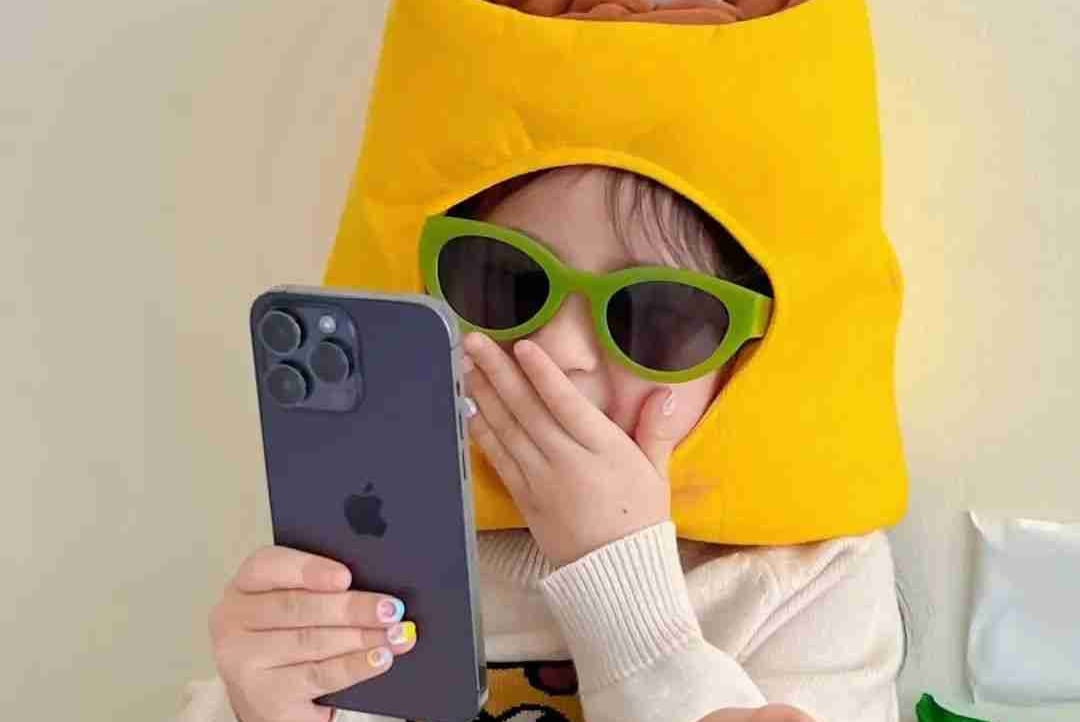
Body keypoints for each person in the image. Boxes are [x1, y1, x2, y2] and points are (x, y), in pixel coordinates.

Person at [176, 3, 908, 722]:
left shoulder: (812, 579)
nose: (558, 352)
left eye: (654, 313)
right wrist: (260, 710)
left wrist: (624, 590)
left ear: (757, 350)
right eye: (506, 282)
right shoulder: (371, 536)